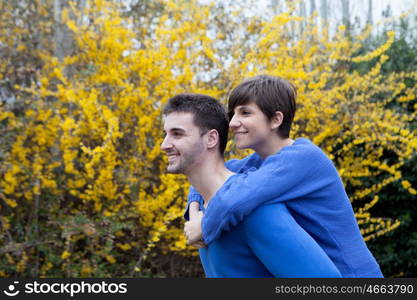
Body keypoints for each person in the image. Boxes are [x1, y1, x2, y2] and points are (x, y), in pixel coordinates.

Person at [184, 75, 383, 278]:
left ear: (276, 119)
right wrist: (194, 211)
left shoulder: (305, 158)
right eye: (232, 113)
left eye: (245, 112)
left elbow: (233, 202)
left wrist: (203, 227)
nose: (233, 122)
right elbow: (206, 173)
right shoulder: (255, 164)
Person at [161, 93, 341, 278]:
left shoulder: (252, 209)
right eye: (165, 134)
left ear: (211, 139)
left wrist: (204, 225)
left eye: (177, 134)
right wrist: (194, 207)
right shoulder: (205, 209)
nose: (164, 145)